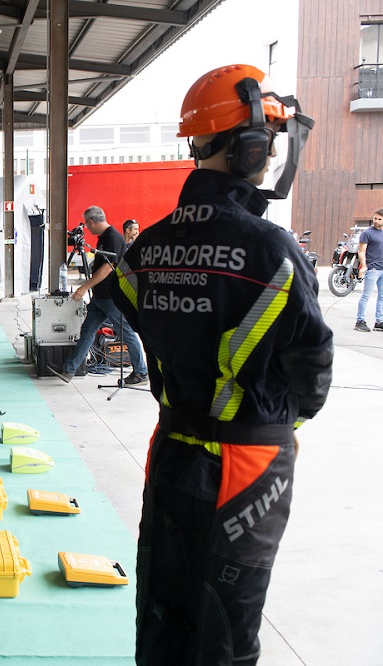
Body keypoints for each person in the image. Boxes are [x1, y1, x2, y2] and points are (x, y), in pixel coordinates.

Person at [110, 64, 333, 665]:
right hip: (250, 462)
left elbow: (128, 306)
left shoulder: (148, 246)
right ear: (252, 145)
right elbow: (313, 373)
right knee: (226, 629)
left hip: (172, 448)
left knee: (162, 607)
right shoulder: (273, 250)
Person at [47, 205, 148, 385]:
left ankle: (141, 372)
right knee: (87, 332)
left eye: (87, 224)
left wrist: (84, 287)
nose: (87, 227)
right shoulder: (104, 238)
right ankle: (69, 370)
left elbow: (107, 269)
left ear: (92, 222)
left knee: (127, 333)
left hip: (111, 297)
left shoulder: (113, 238)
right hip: (100, 298)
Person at [354, 208, 383, 332]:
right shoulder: (367, 233)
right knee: (366, 295)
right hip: (372, 269)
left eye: (379, 219)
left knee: (382, 297)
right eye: (375, 218)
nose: (376, 221)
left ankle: (379, 321)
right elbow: (361, 251)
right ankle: (360, 321)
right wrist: (364, 266)